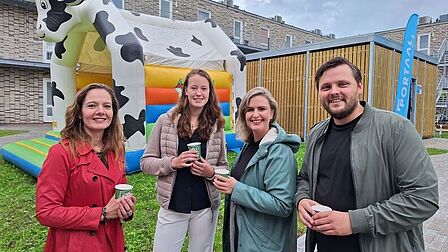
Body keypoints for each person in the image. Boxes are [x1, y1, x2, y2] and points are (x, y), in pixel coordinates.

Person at [295, 57, 439, 252]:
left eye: (343, 84)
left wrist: (354, 222)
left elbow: (423, 199)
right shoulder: (316, 134)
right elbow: (305, 178)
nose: (334, 91)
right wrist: (302, 199)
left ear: (359, 87)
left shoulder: (396, 129)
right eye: (326, 87)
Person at [35, 83, 136, 252]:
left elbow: (117, 193)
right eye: (92, 105)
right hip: (76, 245)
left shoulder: (117, 150)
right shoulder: (61, 153)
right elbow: (46, 212)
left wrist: (126, 208)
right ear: (80, 113)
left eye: (107, 106)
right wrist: (102, 213)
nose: (101, 111)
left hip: (112, 241)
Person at [140, 69, 228, 252]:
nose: (199, 93)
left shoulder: (216, 125)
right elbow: (146, 162)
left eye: (204, 89)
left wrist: (210, 172)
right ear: (185, 90)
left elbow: (223, 167)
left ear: (210, 93)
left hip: (205, 206)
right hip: (173, 205)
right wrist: (172, 163)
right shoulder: (165, 121)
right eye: (194, 87)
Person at [213, 87, 300, 252]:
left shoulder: (280, 152)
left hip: (264, 244)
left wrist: (236, 188)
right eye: (250, 109)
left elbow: (282, 205)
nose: (255, 114)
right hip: (243, 235)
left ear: (272, 113)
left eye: (262, 109)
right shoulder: (250, 146)